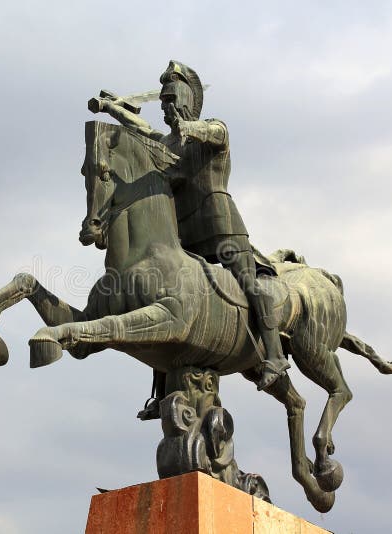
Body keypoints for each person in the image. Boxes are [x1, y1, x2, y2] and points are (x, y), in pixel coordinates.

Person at [92, 60, 290, 415]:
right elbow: (145, 131)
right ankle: (162, 390)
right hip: (185, 230)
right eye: (164, 102)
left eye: (172, 100)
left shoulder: (213, 129)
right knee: (165, 298)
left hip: (220, 225)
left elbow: (212, 132)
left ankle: (275, 358)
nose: (167, 108)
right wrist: (115, 111)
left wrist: (189, 126)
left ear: (187, 98)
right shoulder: (168, 141)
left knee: (250, 284)